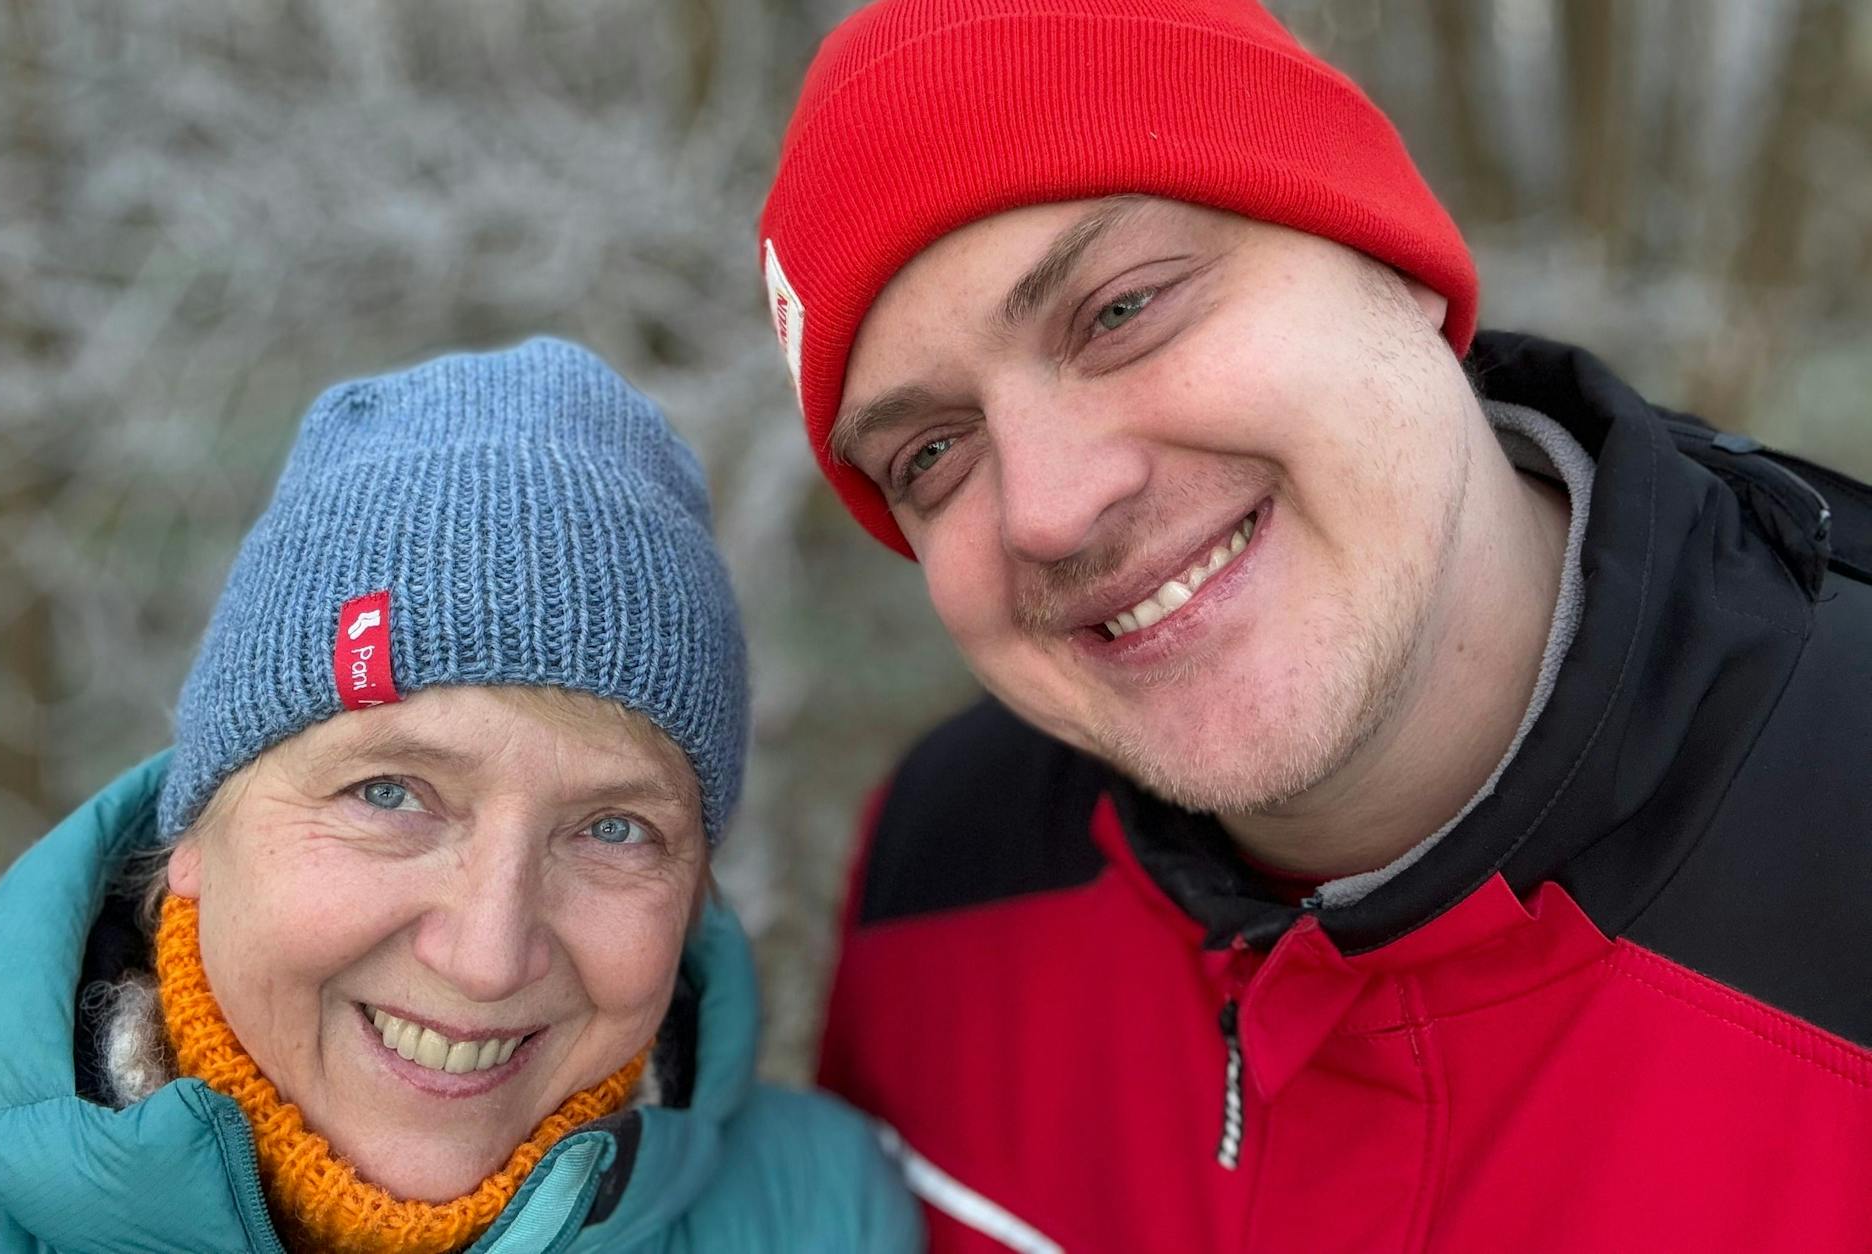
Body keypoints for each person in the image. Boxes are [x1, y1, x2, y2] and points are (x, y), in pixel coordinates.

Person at [756, 2, 1872, 1250]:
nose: (1052, 509)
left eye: (1121, 309)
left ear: (1387, 260)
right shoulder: (942, 880)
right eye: (932, 453)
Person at [0, 338, 922, 1252]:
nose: (486, 957)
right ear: (195, 829)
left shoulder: (821, 1212)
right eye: (389, 794)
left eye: (614, 828)